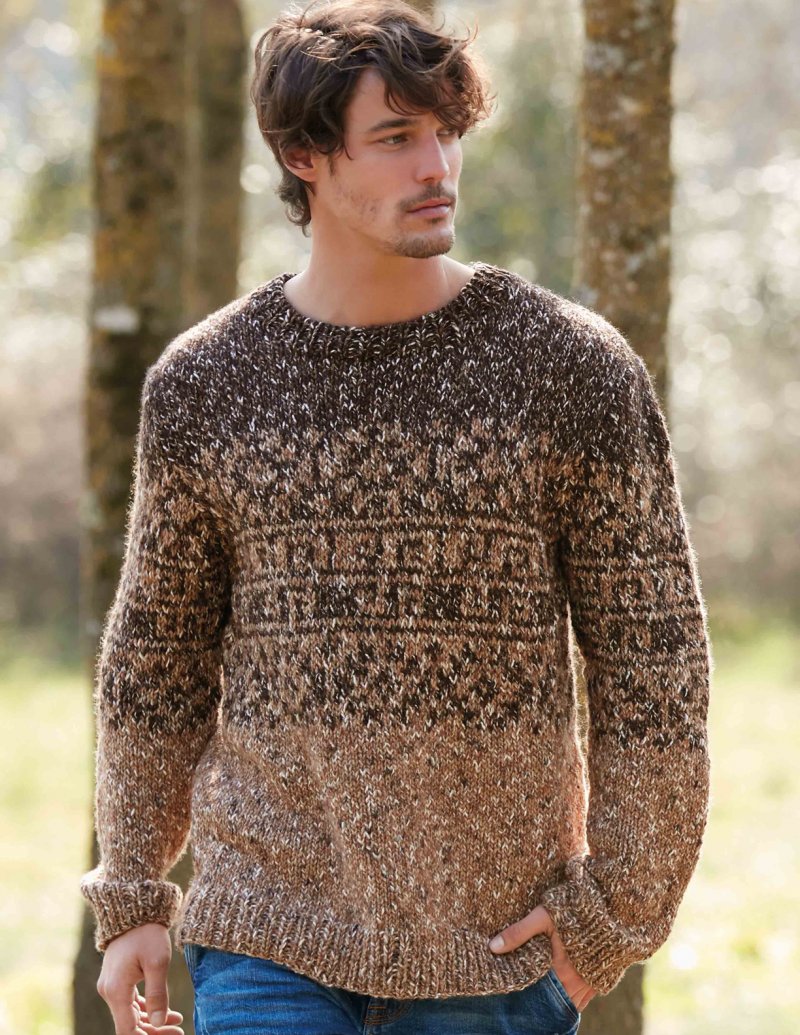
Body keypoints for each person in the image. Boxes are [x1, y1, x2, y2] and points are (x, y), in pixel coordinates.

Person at [80, 1, 713, 1033]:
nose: (438, 166)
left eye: (447, 131)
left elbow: (654, 663)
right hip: (265, 931)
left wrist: (612, 916)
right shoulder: (205, 383)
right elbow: (156, 661)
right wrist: (134, 896)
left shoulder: (570, 369)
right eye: (396, 137)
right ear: (303, 155)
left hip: (496, 953)